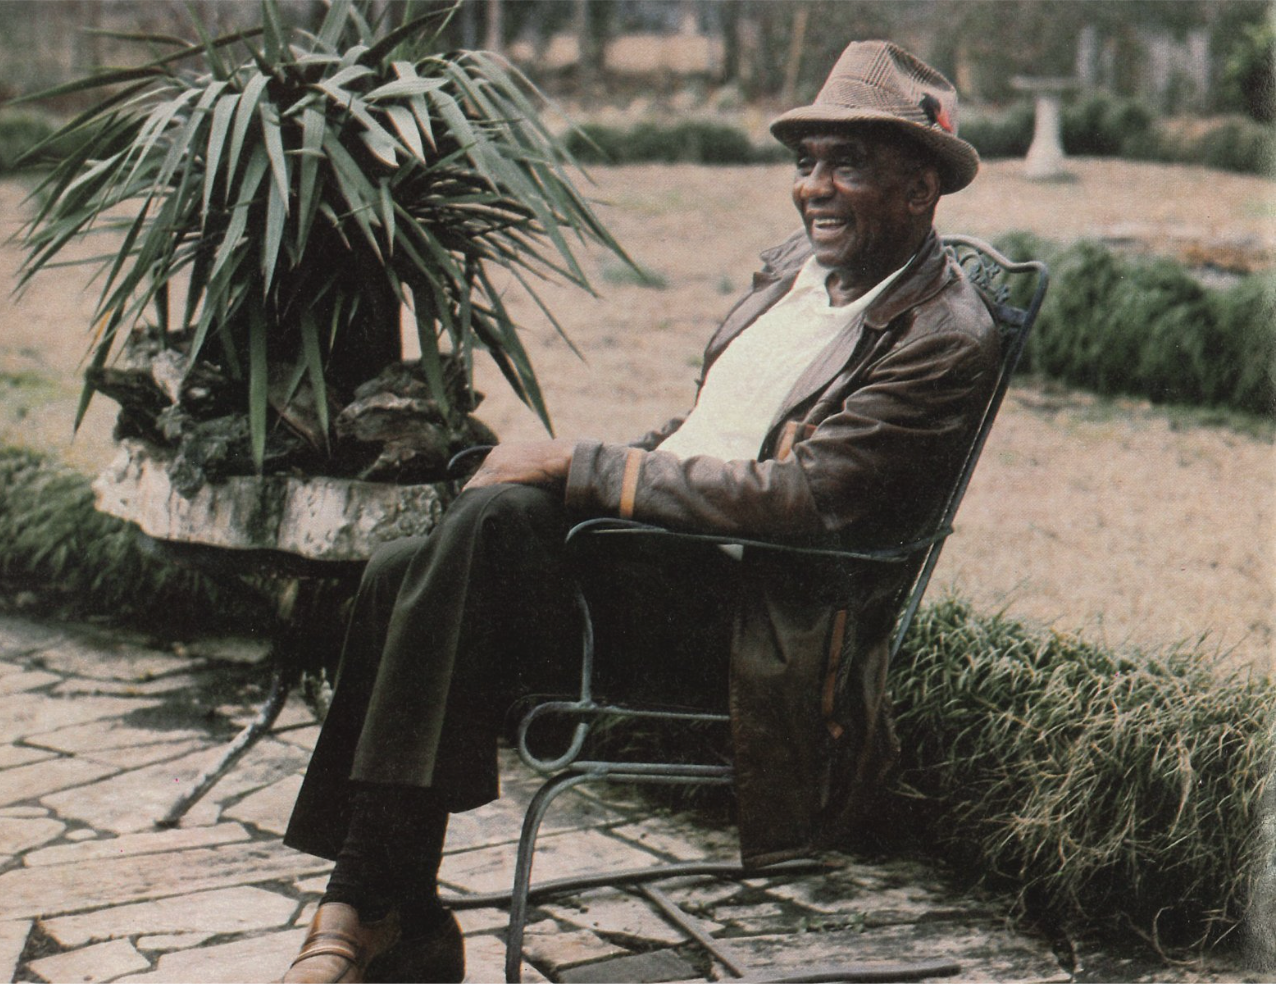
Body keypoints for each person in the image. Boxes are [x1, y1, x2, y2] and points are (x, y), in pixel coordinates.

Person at [281, 40, 999, 984]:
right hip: (666, 565)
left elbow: (806, 496)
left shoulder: (943, 337)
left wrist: (581, 467)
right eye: (806, 161)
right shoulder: (799, 273)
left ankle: (367, 910)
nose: (815, 188)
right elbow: (713, 425)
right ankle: (388, 902)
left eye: (849, 164)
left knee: (492, 526)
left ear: (921, 189)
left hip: (758, 622)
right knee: (397, 570)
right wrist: (591, 470)